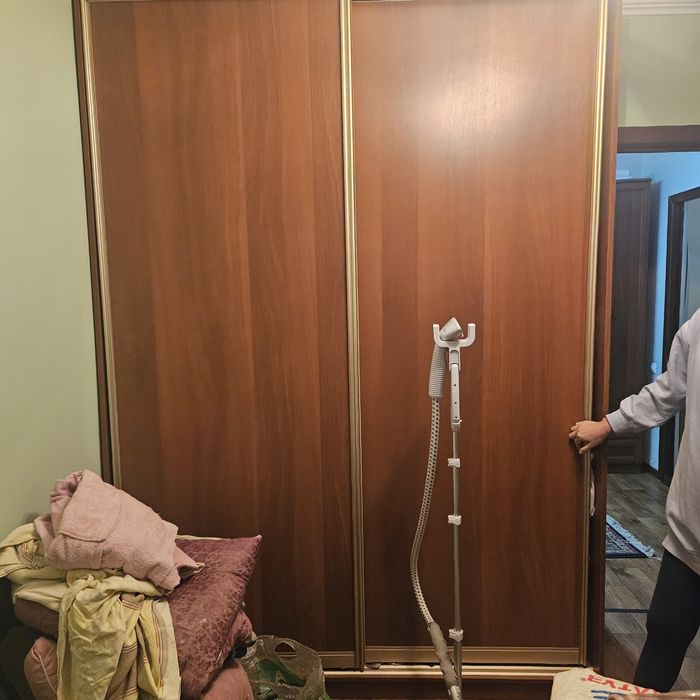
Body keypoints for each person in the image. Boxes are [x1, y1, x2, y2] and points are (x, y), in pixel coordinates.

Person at [570, 309, 700, 693]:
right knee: (664, 632)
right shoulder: (698, 326)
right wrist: (608, 424)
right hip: (689, 539)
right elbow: (667, 391)